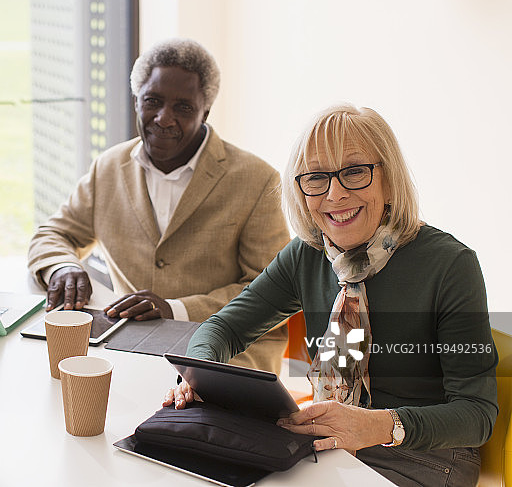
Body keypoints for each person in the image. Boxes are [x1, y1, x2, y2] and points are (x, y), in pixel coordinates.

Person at [164, 104, 498, 486]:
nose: (335, 194)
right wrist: (198, 375)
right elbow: (224, 328)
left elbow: (477, 414)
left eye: (355, 172)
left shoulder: (451, 265)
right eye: (316, 178)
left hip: (422, 454)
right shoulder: (307, 253)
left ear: (389, 180)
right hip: (329, 441)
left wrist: (376, 425)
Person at [28, 38, 289, 372]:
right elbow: (53, 234)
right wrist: (62, 267)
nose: (164, 119)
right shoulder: (109, 167)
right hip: (128, 350)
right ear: (137, 100)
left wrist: (176, 309)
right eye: (153, 101)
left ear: (205, 111)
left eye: (183, 107)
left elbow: (271, 292)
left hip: (226, 353)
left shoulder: (257, 180)